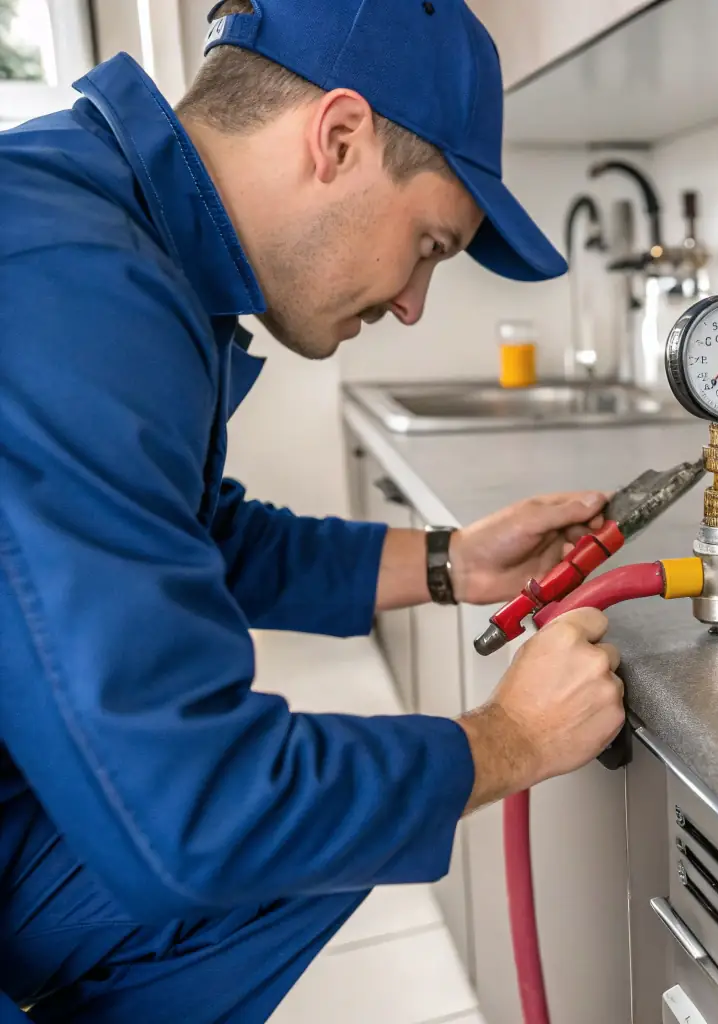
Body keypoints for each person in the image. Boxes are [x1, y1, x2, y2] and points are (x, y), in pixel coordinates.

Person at [0, 1, 626, 1019]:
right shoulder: (68, 284)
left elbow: (187, 536)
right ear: (338, 137)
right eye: (429, 243)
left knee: (324, 836)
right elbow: (194, 814)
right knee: (282, 831)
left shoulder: (117, 234)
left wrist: (452, 562)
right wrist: (508, 740)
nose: (417, 301)